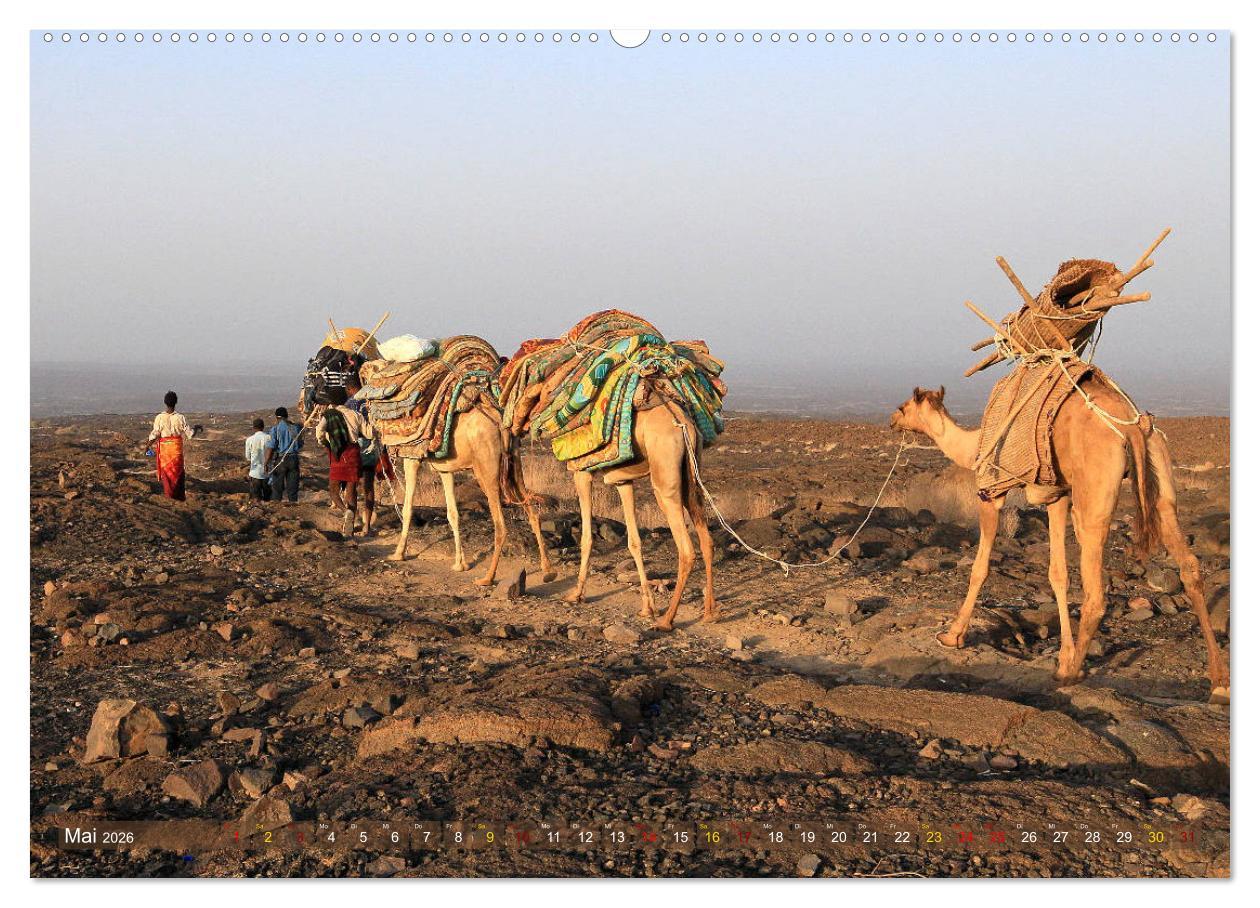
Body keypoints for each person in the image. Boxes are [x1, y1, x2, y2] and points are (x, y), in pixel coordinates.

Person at [315, 387, 368, 538]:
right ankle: (349, 529)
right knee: (351, 490)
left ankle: (347, 512)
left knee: (333, 489)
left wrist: (325, 442)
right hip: (353, 453)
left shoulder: (329, 415)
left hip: (338, 454)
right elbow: (368, 433)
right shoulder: (356, 414)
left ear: (331, 401)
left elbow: (319, 432)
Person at [344, 375, 380, 537]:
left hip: (354, 448)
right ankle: (367, 527)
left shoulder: (349, 404)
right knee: (369, 485)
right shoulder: (373, 401)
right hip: (372, 448)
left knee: (351, 484)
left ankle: (352, 521)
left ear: (350, 389)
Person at [145, 390, 197, 501]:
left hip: (165, 451)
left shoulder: (159, 417)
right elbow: (190, 434)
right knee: (178, 473)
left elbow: (155, 434)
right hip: (176, 450)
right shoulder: (180, 417)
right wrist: (196, 428)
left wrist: (147, 446)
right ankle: (179, 497)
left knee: (167, 474)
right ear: (176, 402)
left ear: (165, 402)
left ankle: (169, 496)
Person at [266, 406, 304, 503]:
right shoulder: (295, 428)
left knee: (277, 486)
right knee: (293, 485)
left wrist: (266, 462)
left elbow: (271, 447)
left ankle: (277, 505)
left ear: (277, 418)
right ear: (286, 416)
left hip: (281, 459)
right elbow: (300, 444)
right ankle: (293, 504)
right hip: (294, 459)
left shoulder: (275, 429)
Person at [245, 417, 273, 501]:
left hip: (255, 473)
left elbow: (248, 457)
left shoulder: (249, 440)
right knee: (268, 498)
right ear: (263, 427)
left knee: (255, 499)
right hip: (267, 472)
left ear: (253, 428)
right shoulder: (269, 438)